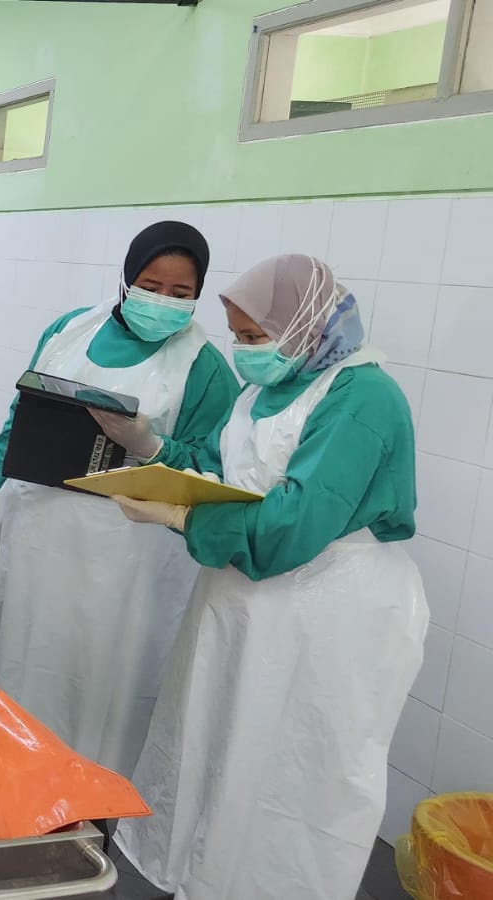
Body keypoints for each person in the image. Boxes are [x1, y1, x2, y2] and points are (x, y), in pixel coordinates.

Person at [112, 254, 427, 900]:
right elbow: (224, 466)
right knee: (221, 746)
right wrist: (156, 457)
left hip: (329, 608)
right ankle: (205, 880)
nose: (245, 351)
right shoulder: (264, 387)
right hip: (245, 598)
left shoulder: (364, 397)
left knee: (290, 772)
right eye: (238, 336)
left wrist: (184, 516)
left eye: (255, 336)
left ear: (306, 324)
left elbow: (294, 525)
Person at [0, 221, 237, 778]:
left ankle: (93, 792)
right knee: (29, 657)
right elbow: (21, 413)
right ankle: (17, 773)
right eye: (151, 286)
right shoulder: (70, 331)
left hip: (127, 555)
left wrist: (152, 446)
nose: (163, 300)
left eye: (180, 292)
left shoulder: (203, 366)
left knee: (102, 682)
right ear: (127, 278)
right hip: (38, 531)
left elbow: (214, 465)